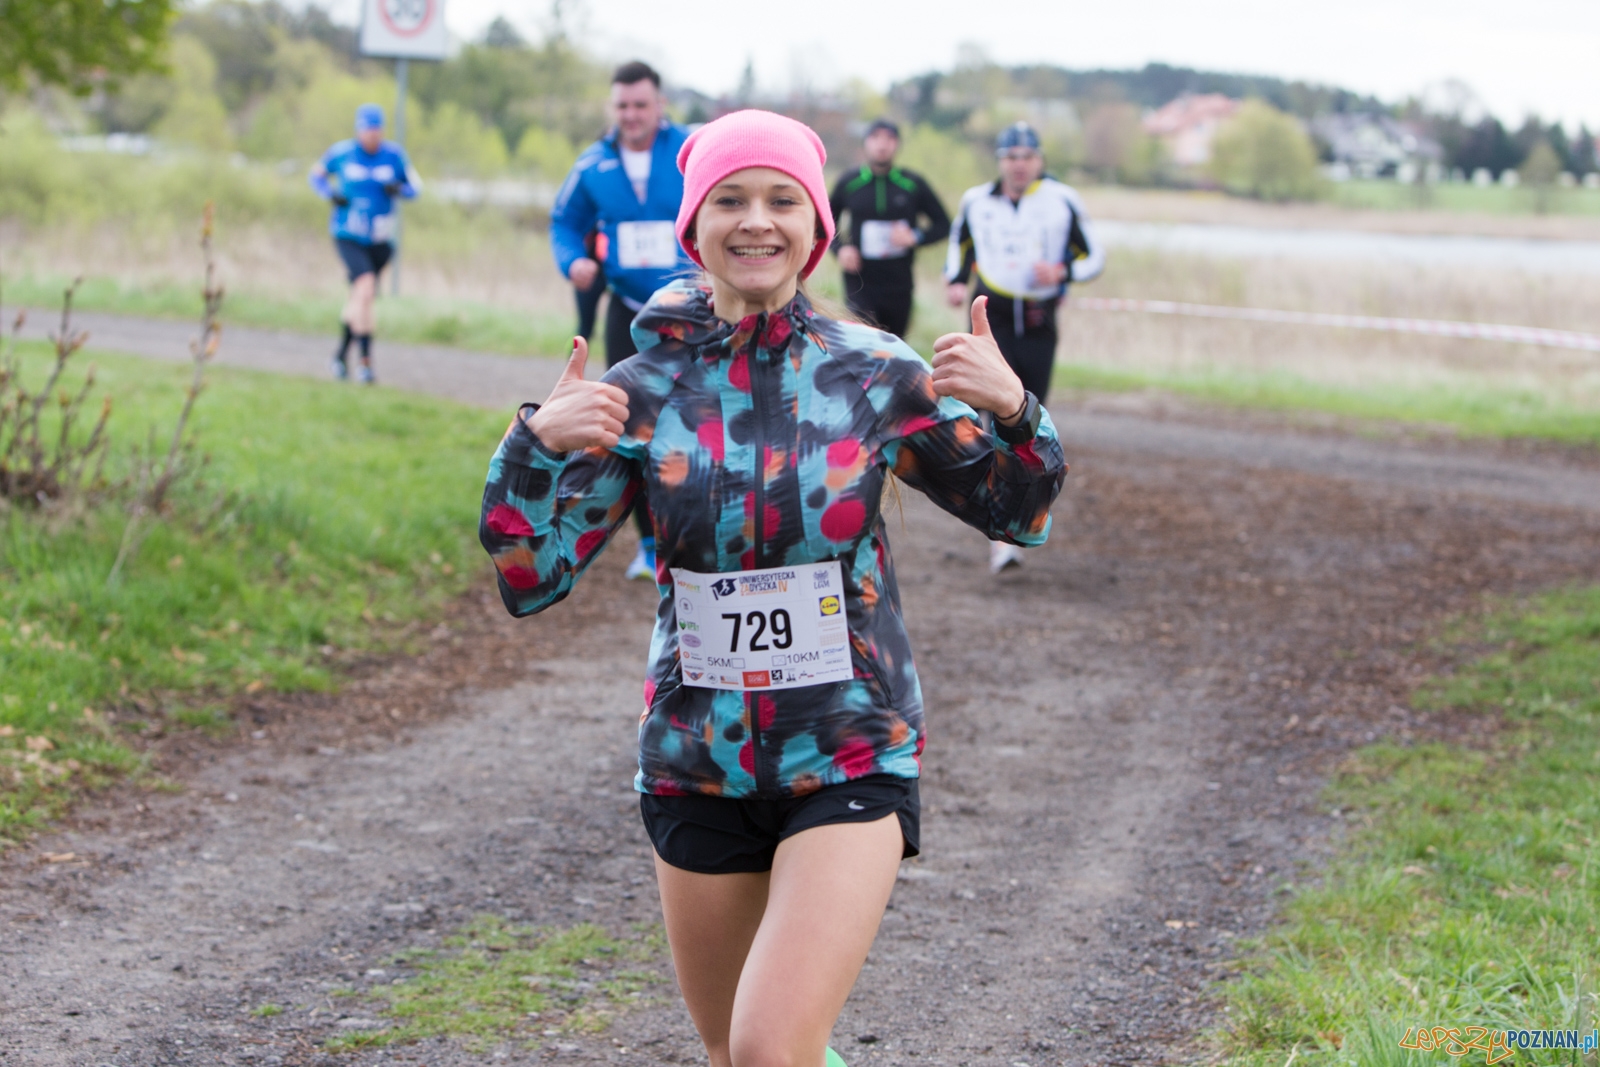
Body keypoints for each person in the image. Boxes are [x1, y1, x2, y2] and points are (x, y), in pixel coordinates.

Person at [480, 110, 1065, 1067]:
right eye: (731, 199)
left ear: (816, 225)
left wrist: (1014, 409)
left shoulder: (875, 374)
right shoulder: (641, 390)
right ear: (694, 225)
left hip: (848, 749)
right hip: (694, 762)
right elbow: (529, 576)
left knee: (766, 1044)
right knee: (736, 1054)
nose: (759, 220)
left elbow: (1019, 513)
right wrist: (532, 447)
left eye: (783, 199)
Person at [549, 60, 691, 581]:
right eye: (623, 106)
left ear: (660, 106)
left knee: (701, 418)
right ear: (613, 109)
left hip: (696, 311)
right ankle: (649, 544)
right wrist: (574, 262)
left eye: (641, 105)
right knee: (629, 425)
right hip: (629, 313)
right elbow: (564, 222)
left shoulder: (689, 151)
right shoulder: (592, 166)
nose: (632, 115)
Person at [945, 120, 1102, 573]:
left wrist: (1063, 273)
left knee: (1030, 418)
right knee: (988, 414)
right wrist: (956, 280)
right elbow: (959, 246)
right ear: (1000, 161)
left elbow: (1095, 256)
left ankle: (1024, 512)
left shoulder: (1062, 199)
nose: (1018, 165)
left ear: (1039, 160)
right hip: (991, 318)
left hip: (1037, 320)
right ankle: (996, 526)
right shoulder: (977, 199)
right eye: (1010, 157)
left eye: (1027, 157)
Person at [308, 103, 420, 384]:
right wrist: (329, 194)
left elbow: (415, 187)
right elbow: (316, 175)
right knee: (367, 289)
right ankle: (366, 364)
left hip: (380, 240)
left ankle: (339, 358)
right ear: (359, 130)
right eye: (367, 130)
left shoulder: (394, 155)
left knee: (359, 297)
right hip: (348, 235)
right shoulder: (342, 153)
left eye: (376, 130)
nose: (372, 135)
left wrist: (400, 189)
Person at [827, 118, 950, 338]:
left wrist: (916, 236)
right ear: (865, 143)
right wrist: (840, 250)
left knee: (894, 350)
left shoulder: (912, 183)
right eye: (875, 138)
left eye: (889, 138)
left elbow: (943, 224)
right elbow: (824, 222)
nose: (882, 145)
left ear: (897, 144)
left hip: (898, 285)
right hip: (860, 283)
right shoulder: (850, 182)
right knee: (862, 347)